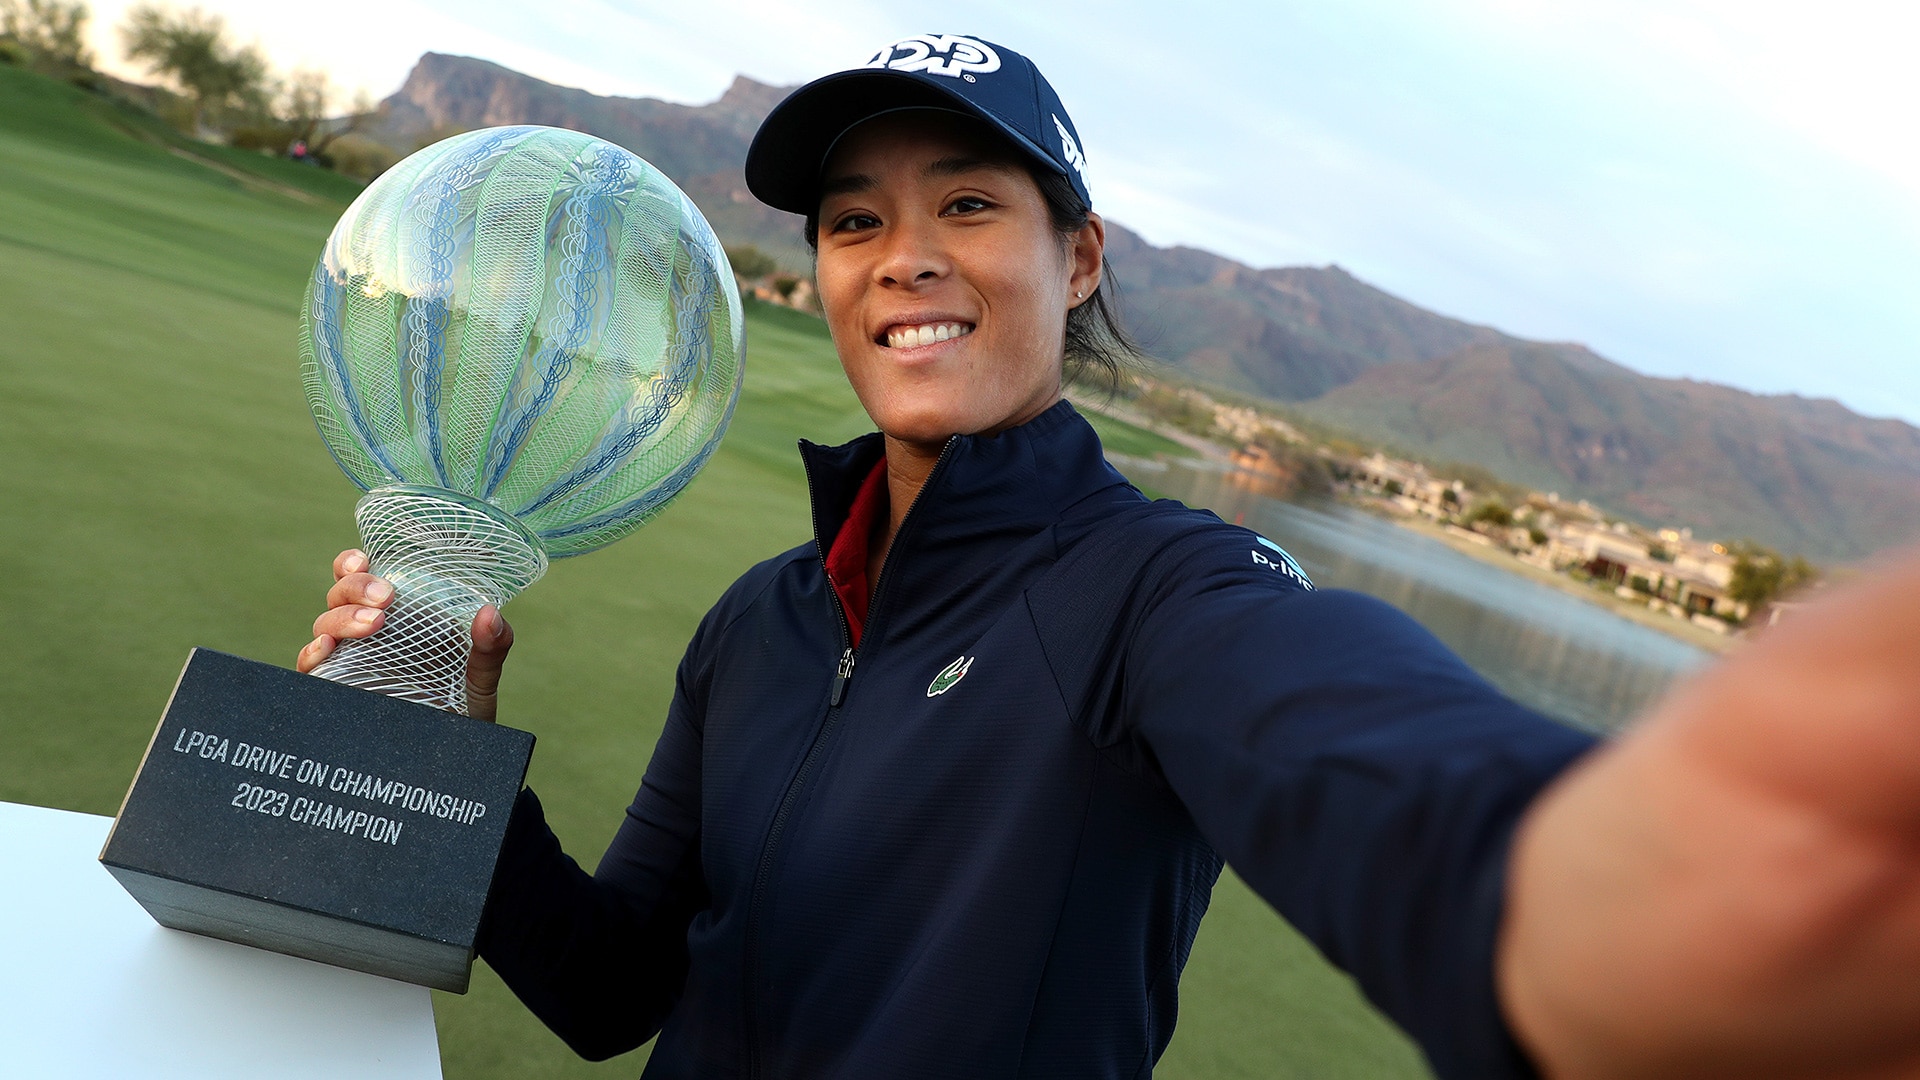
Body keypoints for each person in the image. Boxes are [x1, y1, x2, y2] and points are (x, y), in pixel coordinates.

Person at [299, 34, 1920, 1080]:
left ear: (1075, 258)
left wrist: (1577, 895)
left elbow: (1348, 737)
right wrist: (458, 776)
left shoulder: (1161, 593)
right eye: (854, 220)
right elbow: (609, 995)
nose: (905, 254)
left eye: (968, 205)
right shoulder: (766, 622)